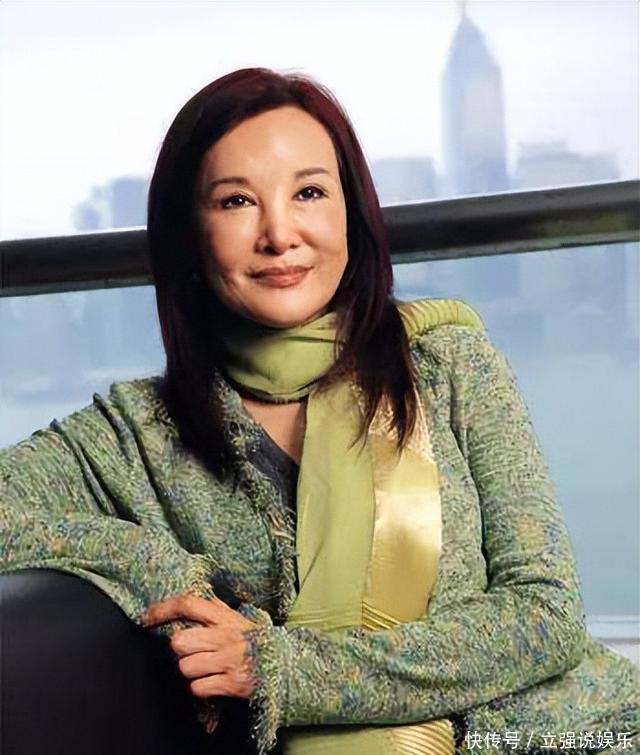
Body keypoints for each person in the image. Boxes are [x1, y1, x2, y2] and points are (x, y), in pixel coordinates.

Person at [0, 68, 637, 755]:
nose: (280, 233)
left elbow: (544, 614)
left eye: (308, 192)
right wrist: (149, 562)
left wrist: (280, 669)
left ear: (349, 213)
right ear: (190, 233)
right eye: (237, 200)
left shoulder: (448, 362)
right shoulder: (136, 434)